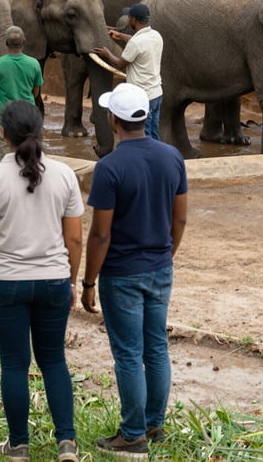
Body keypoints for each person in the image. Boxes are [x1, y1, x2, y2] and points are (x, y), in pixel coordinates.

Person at [0, 100, 84, 462]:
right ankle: (66, 442)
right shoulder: (65, 175)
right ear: (41, 129)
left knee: (14, 364)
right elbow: (76, 239)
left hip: (6, 283)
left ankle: (18, 444)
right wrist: (72, 281)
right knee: (54, 361)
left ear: (3, 134)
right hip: (53, 281)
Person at [81, 83, 188, 459]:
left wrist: (89, 281)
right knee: (156, 347)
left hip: (121, 273)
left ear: (113, 119)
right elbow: (181, 218)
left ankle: (132, 435)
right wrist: (165, 255)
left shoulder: (109, 167)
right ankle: (154, 423)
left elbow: (100, 234)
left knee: (128, 354)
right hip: (160, 267)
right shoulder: (172, 156)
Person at [93, 3, 163, 139]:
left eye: (129, 17)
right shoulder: (155, 35)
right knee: (154, 133)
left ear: (135, 20)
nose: (128, 20)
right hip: (157, 94)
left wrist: (107, 54)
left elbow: (120, 63)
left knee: (145, 136)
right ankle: (156, 158)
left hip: (144, 97)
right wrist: (119, 35)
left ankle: (145, 159)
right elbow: (138, 42)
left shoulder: (136, 43)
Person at [0, 25, 44, 163]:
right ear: (24, 41)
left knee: (2, 161)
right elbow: (35, 93)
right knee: (30, 160)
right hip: (28, 119)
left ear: (5, 43)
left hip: (4, 121)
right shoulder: (34, 64)